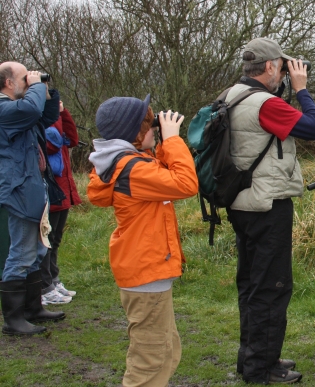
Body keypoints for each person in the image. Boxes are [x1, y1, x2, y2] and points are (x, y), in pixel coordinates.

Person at [225, 37, 315, 384]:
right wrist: (301, 90)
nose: (285, 71)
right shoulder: (265, 104)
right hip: (268, 206)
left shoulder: (231, 95)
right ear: (269, 67)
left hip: (241, 202)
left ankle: (251, 357)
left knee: (251, 284)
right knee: (272, 286)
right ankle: (262, 369)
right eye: (282, 67)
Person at [87, 94, 198, 386]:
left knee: (166, 351)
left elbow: (161, 174)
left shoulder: (128, 162)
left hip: (144, 269)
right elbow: (185, 184)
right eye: (149, 125)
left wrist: (161, 142)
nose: (154, 129)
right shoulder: (133, 168)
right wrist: (172, 141)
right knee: (150, 361)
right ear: (134, 132)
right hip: (146, 273)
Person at [0, 62, 65, 336]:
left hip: (31, 187)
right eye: (23, 77)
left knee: (37, 250)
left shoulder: (18, 109)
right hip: (18, 190)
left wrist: (46, 91)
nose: (28, 81)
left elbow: (45, 116)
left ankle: (33, 308)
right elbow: (30, 110)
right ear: (8, 82)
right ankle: (14, 320)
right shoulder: (4, 109)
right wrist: (36, 87)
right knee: (22, 252)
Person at [39, 101, 82, 305]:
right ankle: (45, 285)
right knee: (46, 241)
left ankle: (53, 280)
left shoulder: (55, 119)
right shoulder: (41, 122)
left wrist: (64, 113)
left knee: (55, 239)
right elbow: (53, 142)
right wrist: (52, 114)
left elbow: (72, 139)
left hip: (63, 188)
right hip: (51, 188)